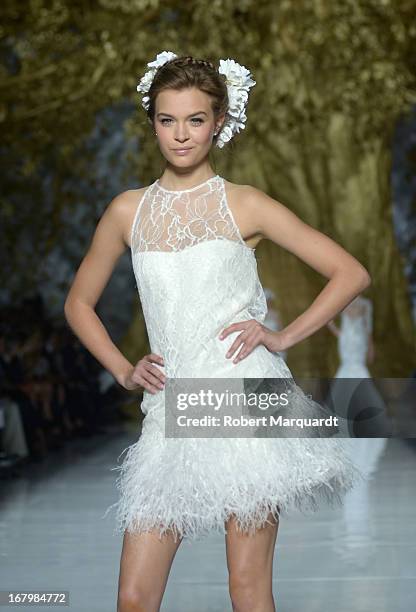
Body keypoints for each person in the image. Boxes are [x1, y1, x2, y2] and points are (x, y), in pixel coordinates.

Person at [64, 52, 372, 612]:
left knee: (248, 591)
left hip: (248, 398)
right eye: (167, 120)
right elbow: (79, 304)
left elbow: (350, 272)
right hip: (170, 407)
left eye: (196, 119)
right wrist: (122, 369)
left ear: (219, 121)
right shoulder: (126, 212)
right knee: (134, 598)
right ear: (152, 121)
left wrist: (280, 338)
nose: (181, 135)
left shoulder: (244, 203)